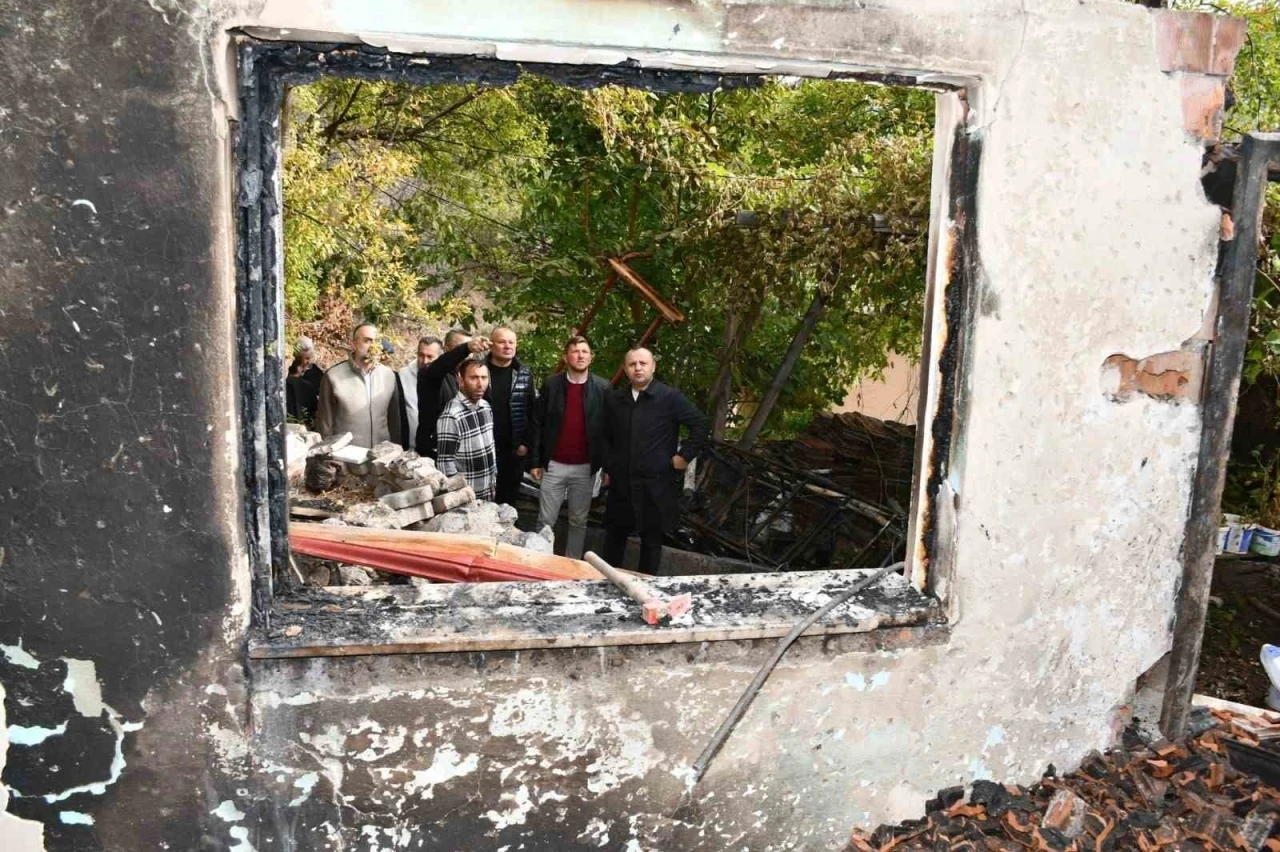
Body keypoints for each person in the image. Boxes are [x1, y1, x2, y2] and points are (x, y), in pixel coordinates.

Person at [601, 346, 709, 575]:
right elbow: (605, 436)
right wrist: (608, 467)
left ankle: (646, 587)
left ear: (653, 367)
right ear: (625, 369)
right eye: (632, 364)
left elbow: (700, 424)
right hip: (622, 483)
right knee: (614, 537)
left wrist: (684, 456)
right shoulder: (615, 399)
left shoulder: (669, 397)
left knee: (651, 541)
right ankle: (606, 583)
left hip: (656, 484)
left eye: (643, 363)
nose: (638, 368)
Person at [531, 336, 611, 559]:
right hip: (554, 465)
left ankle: (572, 563)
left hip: (585, 468)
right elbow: (537, 423)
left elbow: (609, 431)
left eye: (584, 351)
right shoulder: (552, 384)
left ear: (591, 357)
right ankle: (538, 560)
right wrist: (536, 461)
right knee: (545, 520)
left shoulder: (603, 388)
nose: (580, 355)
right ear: (566, 357)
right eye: (575, 351)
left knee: (578, 520)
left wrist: (607, 467)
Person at [315, 322, 404, 448]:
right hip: (346, 456)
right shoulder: (333, 376)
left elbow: (394, 421)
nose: (373, 346)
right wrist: (327, 454)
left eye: (376, 342)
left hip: (381, 455)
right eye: (367, 341)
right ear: (354, 344)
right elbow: (325, 424)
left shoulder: (388, 376)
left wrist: (395, 450)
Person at [483, 327, 538, 506]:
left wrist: (526, 444)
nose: (507, 346)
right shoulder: (479, 371)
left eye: (511, 342)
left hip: (514, 451)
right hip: (484, 447)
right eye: (502, 342)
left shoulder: (524, 373)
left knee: (509, 502)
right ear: (491, 345)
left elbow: (533, 412)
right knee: (483, 500)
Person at [414, 329, 489, 459]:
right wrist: (466, 348)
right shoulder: (430, 372)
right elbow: (439, 367)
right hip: (435, 452)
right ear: (447, 349)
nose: (467, 355)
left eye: (471, 351)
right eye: (463, 349)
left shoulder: (467, 376)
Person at [435, 357, 498, 501]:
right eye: (474, 378)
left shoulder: (485, 407)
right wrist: (460, 497)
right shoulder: (451, 416)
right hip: (467, 497)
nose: (480, 384)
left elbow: (490, 446)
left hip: (488, 490)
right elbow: (445, 464)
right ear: (461, 380)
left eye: (484, 378)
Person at [399, 336, 442, 448]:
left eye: (430, 357)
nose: (424, 361)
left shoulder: (446, 377)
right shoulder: (403, 375)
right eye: (421, 355)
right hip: (410, 445)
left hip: (438, 445)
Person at [286, 336, 324, 428]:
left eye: (309, 358)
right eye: (305, 358)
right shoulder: (287, 371)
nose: (307, 362)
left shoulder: (316, 373)